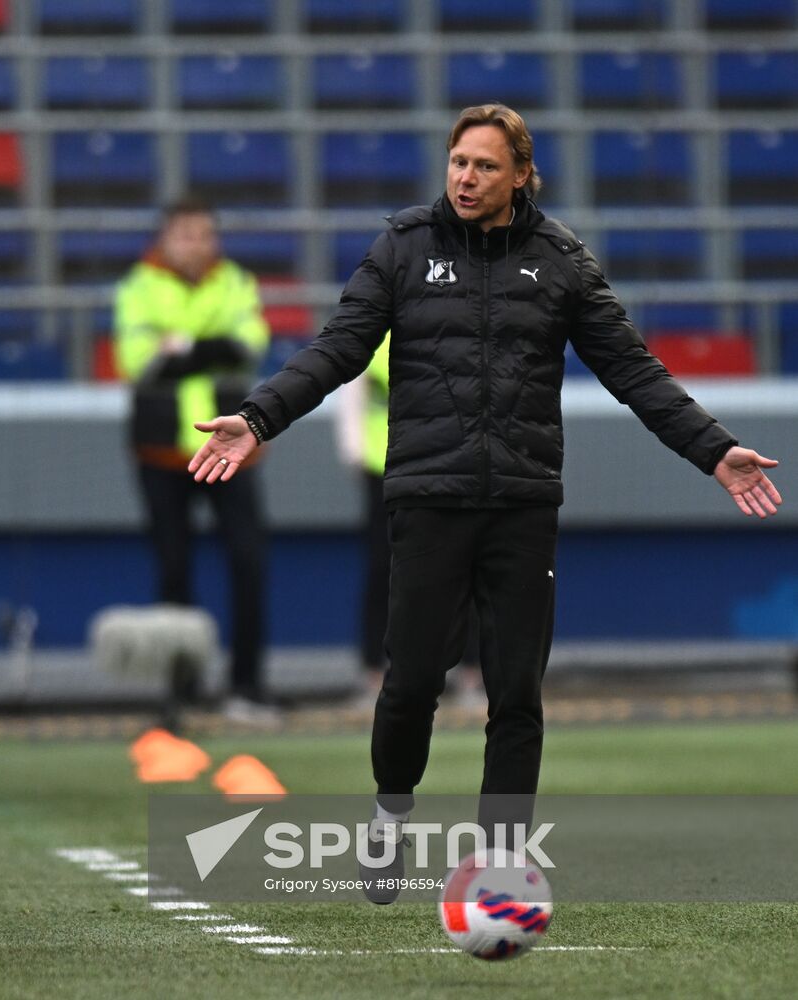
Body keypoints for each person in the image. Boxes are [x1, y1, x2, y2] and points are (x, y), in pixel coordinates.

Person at [188, 104, 781, 896]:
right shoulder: (401, 247)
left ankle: (498, 863)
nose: (466, 179)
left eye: (485, 167)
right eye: (457, 162)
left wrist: (713, 450)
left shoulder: (561, 260)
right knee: (409, 687)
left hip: (522, 502)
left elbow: (633, 371)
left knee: (514, 693)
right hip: (427, 498)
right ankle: (389, 814)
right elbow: (337, 348)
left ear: (521, 177)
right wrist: (260, 415)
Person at [114, 197, 276, 726]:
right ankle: (179, 693)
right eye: (183, 234)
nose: (194, 244)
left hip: (233, 452)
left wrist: (182, 348)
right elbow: (137, 361)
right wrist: (209, 347)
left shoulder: (235, 282)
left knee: (249, 564)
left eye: (203, 234)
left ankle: (247, 687)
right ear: (165, 239)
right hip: (163, 451)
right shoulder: (138, 285)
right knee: (173, 569)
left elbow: (249, 344)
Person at [335, 334, 483, 712]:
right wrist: (352, 448)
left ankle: (470, 676)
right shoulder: (376, 322)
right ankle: (373, 674)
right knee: (383, 567)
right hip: (382, 462)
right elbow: (353, 385)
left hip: (446, 459)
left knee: (460, 564)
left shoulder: (449, 316)